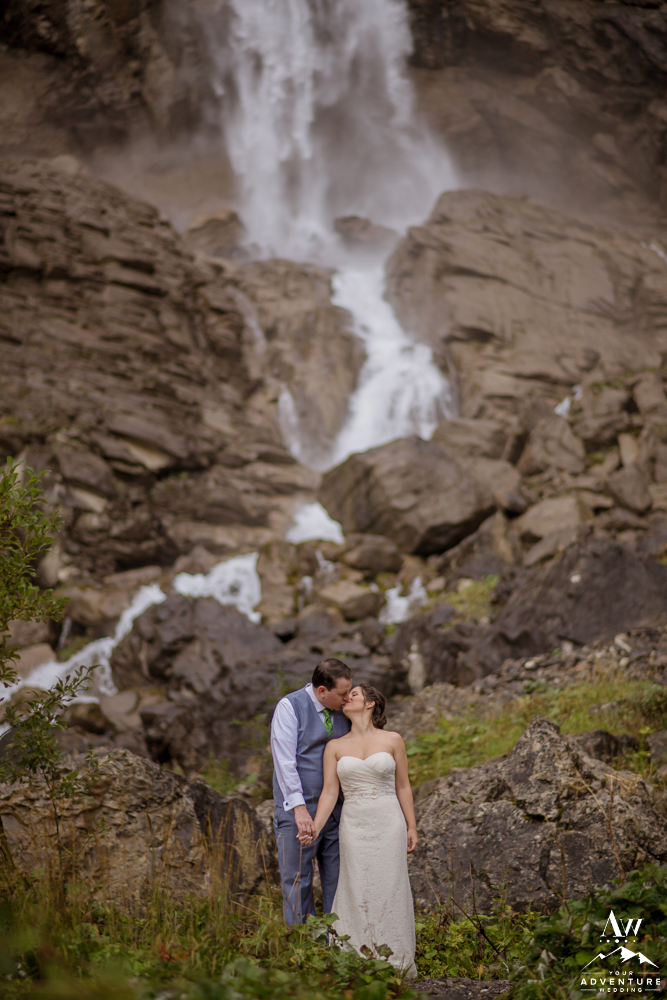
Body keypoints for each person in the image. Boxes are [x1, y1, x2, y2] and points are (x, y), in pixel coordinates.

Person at [299, 683, 417, 976]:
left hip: (389, 821)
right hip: (354, 824)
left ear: (370, 703)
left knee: (390, 887)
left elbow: (403, 785)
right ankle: (356, 961)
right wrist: (314, 827)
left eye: (354, 694)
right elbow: (329, 793)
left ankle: (395, 963)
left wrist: (412, 825)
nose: (346, 697)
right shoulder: (335, 746)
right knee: (356, 886)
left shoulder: (393, 740)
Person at [270, 657, 353, 924]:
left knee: (338, 882)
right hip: (298, 813)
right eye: (342, 694)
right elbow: (284, 762)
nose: (347, 699)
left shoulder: (345, 711)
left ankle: (340, 945)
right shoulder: (290, 707)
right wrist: (300, 809)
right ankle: (302, 951)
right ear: (321, 691)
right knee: (297, 882)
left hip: (337, 812)